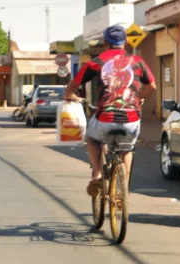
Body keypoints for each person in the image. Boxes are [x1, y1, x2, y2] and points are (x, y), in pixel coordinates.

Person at [64, 24, 157, 196]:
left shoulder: (96, 62)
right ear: (126, 42)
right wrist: (139, 97)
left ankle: (98, 173)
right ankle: (123, 190)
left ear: (105, 42)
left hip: (105, 116)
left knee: (92, 138)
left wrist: (71, 96)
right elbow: (152, 86)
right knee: (127, 149)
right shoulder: (137, 61)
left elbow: (73, 86)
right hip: (131, 118)